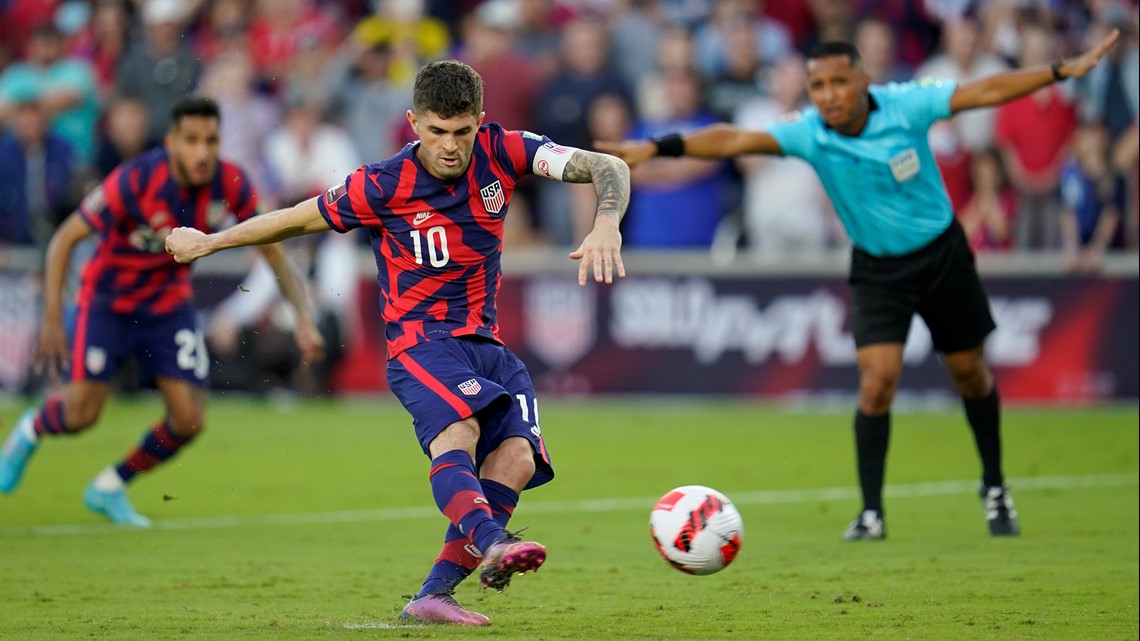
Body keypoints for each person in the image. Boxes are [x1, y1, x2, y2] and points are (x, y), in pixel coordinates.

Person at [597, 31, 1121, 541]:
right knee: (877, 382)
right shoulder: (810, 132)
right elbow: (734, 138)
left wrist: (1059, 70)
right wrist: (655, 146)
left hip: (942, 257)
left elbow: (983, 92)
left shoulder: (906, 106)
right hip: (877, 268)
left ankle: (995, 486)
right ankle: (871, 512)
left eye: (837, 83)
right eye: (818, 86)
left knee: (970, 373)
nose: (827, 95)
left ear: (863, 81)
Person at [165, 60, 629, 625]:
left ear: (481, 122)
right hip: (420, 344)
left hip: (486, 345)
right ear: (413, 123)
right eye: (437, 132)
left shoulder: (506, 150)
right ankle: (494, 543)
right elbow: (292, 219)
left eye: (462, 131)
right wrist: (210, 242)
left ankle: (433, 596)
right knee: (460, 430)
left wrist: (607, 222)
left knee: (517, 458)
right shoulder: (382, 184)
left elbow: (607, 166)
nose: (451, 147)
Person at [0, 96, 325, 527]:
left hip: (168, 306)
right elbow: (64, 239)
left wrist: (302, 317)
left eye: (211, 140)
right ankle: (30, 430)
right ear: (172, 141)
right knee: (81, 414)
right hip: (108, 304)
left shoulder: (230, 184)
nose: (202, 152)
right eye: (191, 140)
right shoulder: (135, 178)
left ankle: (110, 485)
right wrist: (51, 320)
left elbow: (273, 252)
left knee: (189, 419)